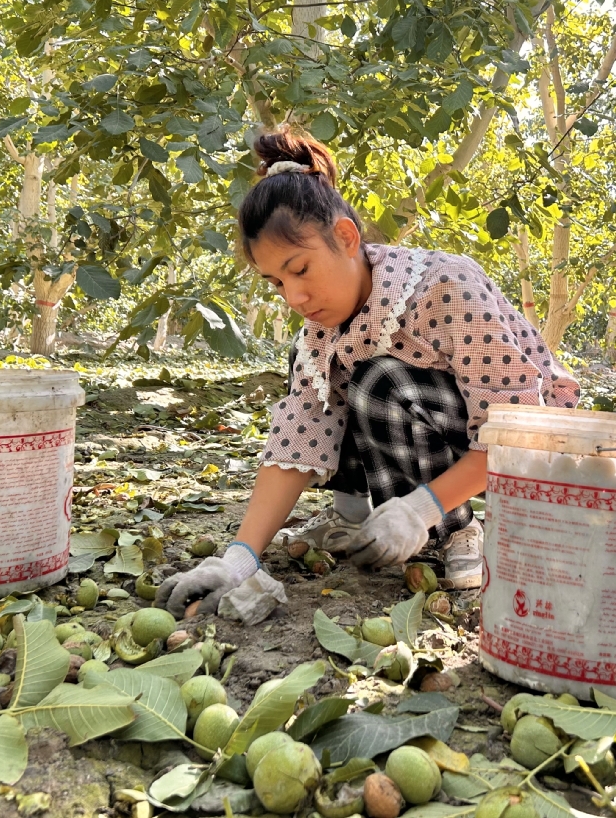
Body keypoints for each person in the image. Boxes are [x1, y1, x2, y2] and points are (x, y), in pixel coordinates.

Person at [156, 127, 580, 617]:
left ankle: (456, 528)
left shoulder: (445, 286)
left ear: (346, 237)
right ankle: (367, 515)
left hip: (521, 448)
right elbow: (299, 434)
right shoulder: (321, 335)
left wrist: (418, 512)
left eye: (301, 270)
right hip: (423, 447)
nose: (294, 298)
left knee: (382, 381)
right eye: (276, 283)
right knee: (316, 372)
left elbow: (517, 434)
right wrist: (239, 558)